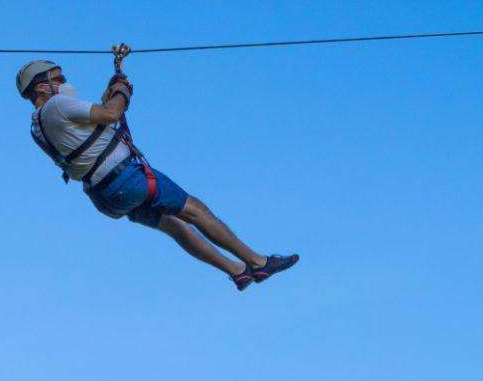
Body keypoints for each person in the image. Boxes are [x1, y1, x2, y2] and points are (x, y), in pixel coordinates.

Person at [18, 46, 297, 290]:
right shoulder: (57, 105)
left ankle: (235, 271)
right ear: (41, 87)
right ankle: (257, 263)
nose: (64, 82)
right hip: (128, 178)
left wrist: (116, 80)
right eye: (57, 78)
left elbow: (94, 122)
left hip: (106, 196)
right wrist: (122, 91)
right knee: (194, 210)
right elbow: (111, 113)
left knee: (176, 227)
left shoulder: (38, 128)